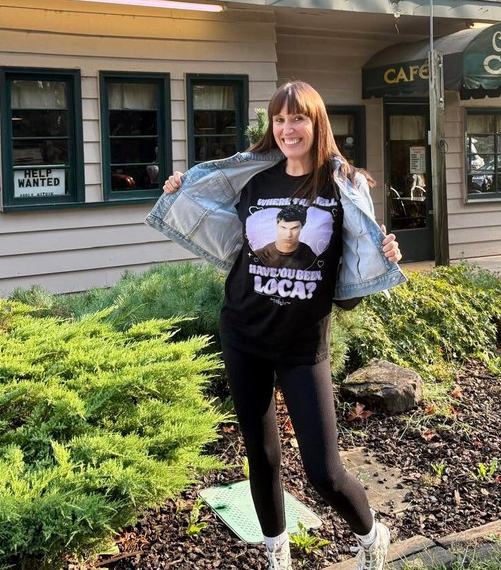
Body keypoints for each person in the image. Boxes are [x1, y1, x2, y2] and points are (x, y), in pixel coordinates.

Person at [146, 80, 406, 570]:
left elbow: (350, 291)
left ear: (316, 122)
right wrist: (183, 192)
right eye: (279, 119)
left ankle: (372, 536)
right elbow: (218, 225)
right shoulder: (255, 181)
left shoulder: (342, 186)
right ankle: (276, 553)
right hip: (244, 334)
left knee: (325, 473)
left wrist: (383, 256)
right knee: (261, 457)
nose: (288, 129)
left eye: (298, 118)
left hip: (302, 346)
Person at [253, 204, 317, 269]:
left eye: (295, 228)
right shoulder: (259, 255)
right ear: (276, 225)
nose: (288, 235)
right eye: (283, 228)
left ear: (302, 225)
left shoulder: (308, 253)